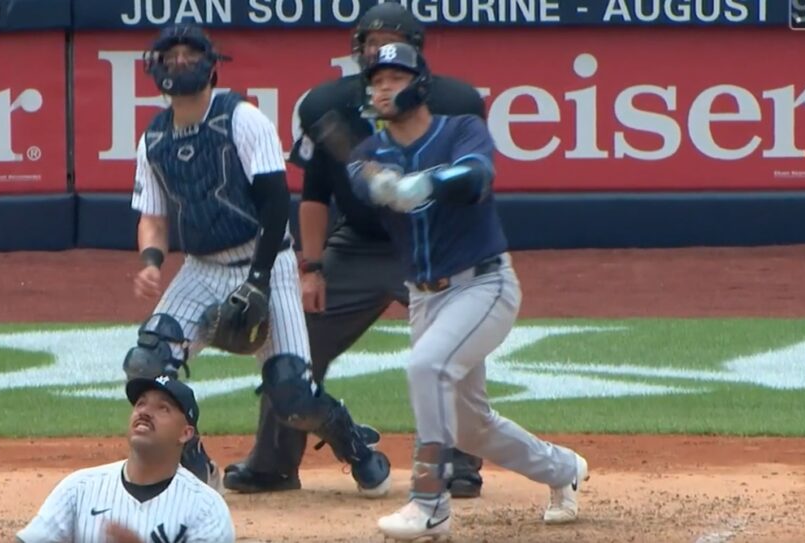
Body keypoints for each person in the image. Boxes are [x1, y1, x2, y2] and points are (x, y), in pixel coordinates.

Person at [223, 2, 487, 498]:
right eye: (370, 43)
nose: (380, 54)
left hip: (436, 242)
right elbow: (316, 195)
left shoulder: (457, 102)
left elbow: (472, 184)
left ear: (417, 54)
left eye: (392, 43)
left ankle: (459, 463)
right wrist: (313, 267)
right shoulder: (328, 106)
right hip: (361, 244)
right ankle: (274, 462)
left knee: (459, 342)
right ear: (356, 50)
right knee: (295, 337)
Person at [124, 23, 392, 500]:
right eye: (172, 56)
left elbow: (273, 205)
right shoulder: (154, 139)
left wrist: (259, 279)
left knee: (291, 395)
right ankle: (196, 467)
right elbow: (154, 217)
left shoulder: (242, 118)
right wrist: (150, 260)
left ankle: (354, 444)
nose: (181, 62)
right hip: (202, 268)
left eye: (191, 54)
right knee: (148, 362)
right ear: (156, 69)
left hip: (269, 260)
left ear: (210, 66)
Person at [345, 42, 590, 541]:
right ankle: (563, 469)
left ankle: (429, 501)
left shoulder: (460, 129)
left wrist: (427, 182)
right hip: (425, 298)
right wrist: (382, 185)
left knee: (427, 366)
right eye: (377, 80)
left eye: (395, 77)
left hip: (484, 285)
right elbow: (360, 180)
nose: (384, 87)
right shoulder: (370, 152)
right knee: (472, 426)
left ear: (420, 83)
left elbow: (478, 174)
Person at [16, 375, 235, 543]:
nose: (145, 412)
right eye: (141, 403)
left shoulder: (206, 507)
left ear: (185, 433)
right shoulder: (79, 488)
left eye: (163, 408)